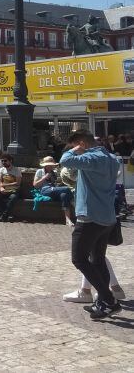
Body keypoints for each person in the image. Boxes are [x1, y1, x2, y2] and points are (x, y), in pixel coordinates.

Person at [59, 129, 121, 319]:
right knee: (98, 259)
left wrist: (74, 150)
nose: (74, 150)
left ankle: (108, 299)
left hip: (90, 218)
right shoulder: (111, 158)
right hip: (107, 218)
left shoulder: (92, 158)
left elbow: (64, 161)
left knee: (79, 259)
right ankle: (104, 302)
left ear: (82, 144)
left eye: (76, 146)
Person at [33, 156, 74, 226]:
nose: (51, 166)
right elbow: (35, 185)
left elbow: (56, 184)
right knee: (67, 189)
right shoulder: (40, 171)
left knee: (64, 195)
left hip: (54, 191)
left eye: (52, 165)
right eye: (50, 165)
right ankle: (74, 203)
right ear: (46, 165)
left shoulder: (54, 173)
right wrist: (44, 178)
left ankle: (67, 219)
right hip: (45, 190)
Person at [0, 153, 22, 222]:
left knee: (12, 198)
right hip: (4, 190)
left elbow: (18, 183)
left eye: (5, 161)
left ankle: (4, 215)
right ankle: (8, 214)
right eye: (2, 161)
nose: (3, 162)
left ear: (10, 161)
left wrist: (5, 185)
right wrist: (1, 188)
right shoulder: (1, 170)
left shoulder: (16, 170)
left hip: (14, 190)